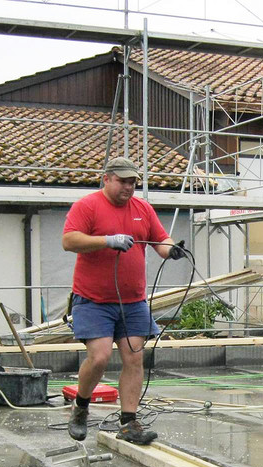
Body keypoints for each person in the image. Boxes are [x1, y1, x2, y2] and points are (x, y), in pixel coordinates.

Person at [61, 156, 184, 444]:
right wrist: (107, 240)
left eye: (132, 182)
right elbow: (69, 240)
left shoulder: (142, 209)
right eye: (122, 181)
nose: (128, 187)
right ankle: (81, 406)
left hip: (132, 301)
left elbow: (160, 241)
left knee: (134, 358)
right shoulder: (87, 206)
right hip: (93, 300)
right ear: (106, 179)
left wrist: (172, 249)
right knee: (100, 357)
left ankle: (129, 423)